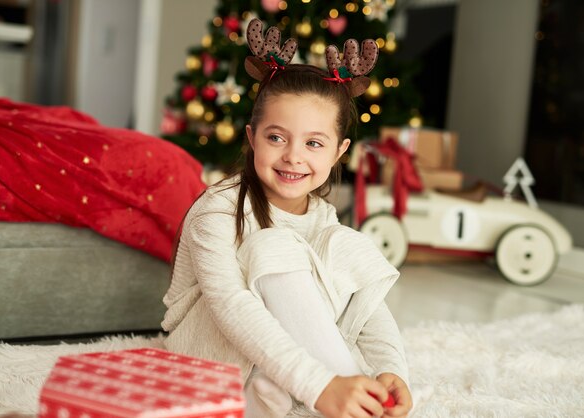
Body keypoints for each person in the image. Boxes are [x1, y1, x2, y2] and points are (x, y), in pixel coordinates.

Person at [161, 19, 412, 418]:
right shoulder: (218, 209)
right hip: (209, 357)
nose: (294, 156)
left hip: (281, 362)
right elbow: (230, 306)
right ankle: (333, 389)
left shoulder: (322, 216)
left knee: (345, 244)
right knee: (272, 243)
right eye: (276, 137)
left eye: (314, 143)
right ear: (251, 137)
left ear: (338, 152)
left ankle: (337, 394)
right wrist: (322, 385)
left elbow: (371, 309)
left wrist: (391, 370)